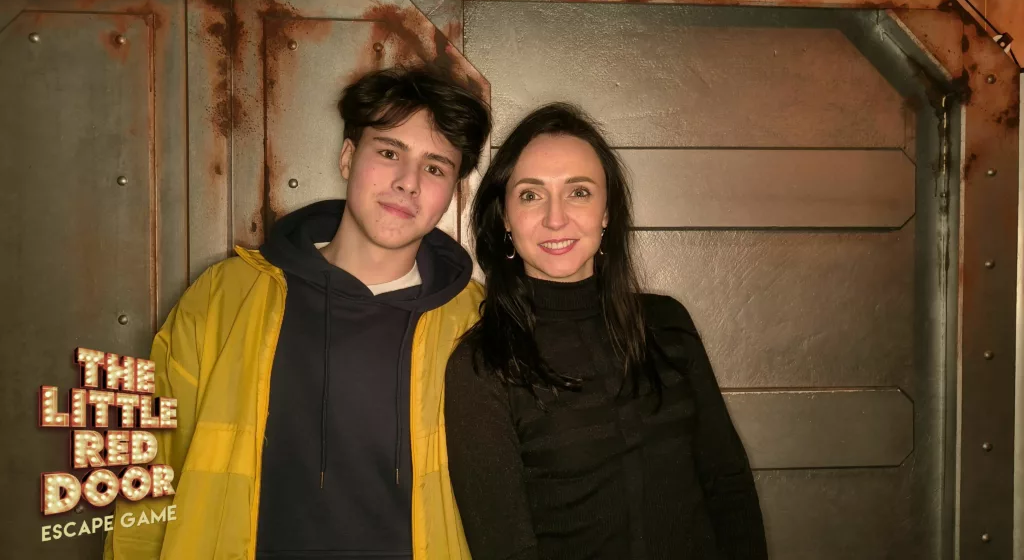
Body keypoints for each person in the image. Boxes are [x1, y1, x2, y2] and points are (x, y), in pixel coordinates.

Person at [104, 66, 491, 560]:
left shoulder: (474, 322)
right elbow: (150, 470)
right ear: (348, 156)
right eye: (389, 152)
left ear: (453, 190)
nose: (407, 183)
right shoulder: (225, 298)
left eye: (435, 167)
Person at [444, 103, 767, 560]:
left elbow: (728, 484)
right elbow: (506, 548)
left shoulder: (667, 324)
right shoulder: (483, 366)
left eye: (579, 192)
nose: (556, 218)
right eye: (531, 195)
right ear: (505, 218)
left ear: (607, 212)